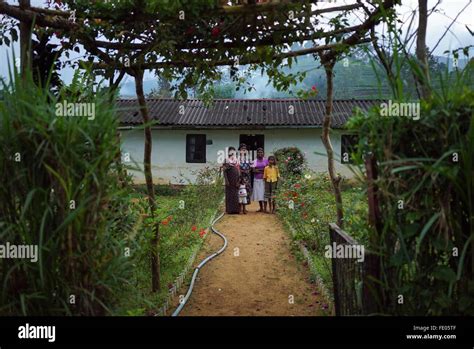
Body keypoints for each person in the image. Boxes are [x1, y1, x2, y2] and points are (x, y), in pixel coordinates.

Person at [222, 146, 240, 214]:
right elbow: (224, 171)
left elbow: (239, 170)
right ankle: (229, 210)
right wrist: (226, 180)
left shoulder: (236, 159)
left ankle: (236, 210)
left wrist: (239, 180)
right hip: (229, 179)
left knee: (235, 194)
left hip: (236, 179)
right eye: (230, 151)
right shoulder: (226, 160)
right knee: (229, 194)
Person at [251, 148, 268, 212]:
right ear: (257, 153)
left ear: (263, 153)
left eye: (261, 152)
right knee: (259, 193)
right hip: (257, 179)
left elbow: (267, 169)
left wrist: (258, 170)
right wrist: (262, 170)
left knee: (264, 193)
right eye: (259, 152)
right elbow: (253, 170)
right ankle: (261, 208)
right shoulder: (254, 161)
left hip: (264, 179)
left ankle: (265, 208)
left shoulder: (266, 161)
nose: (260, 153)